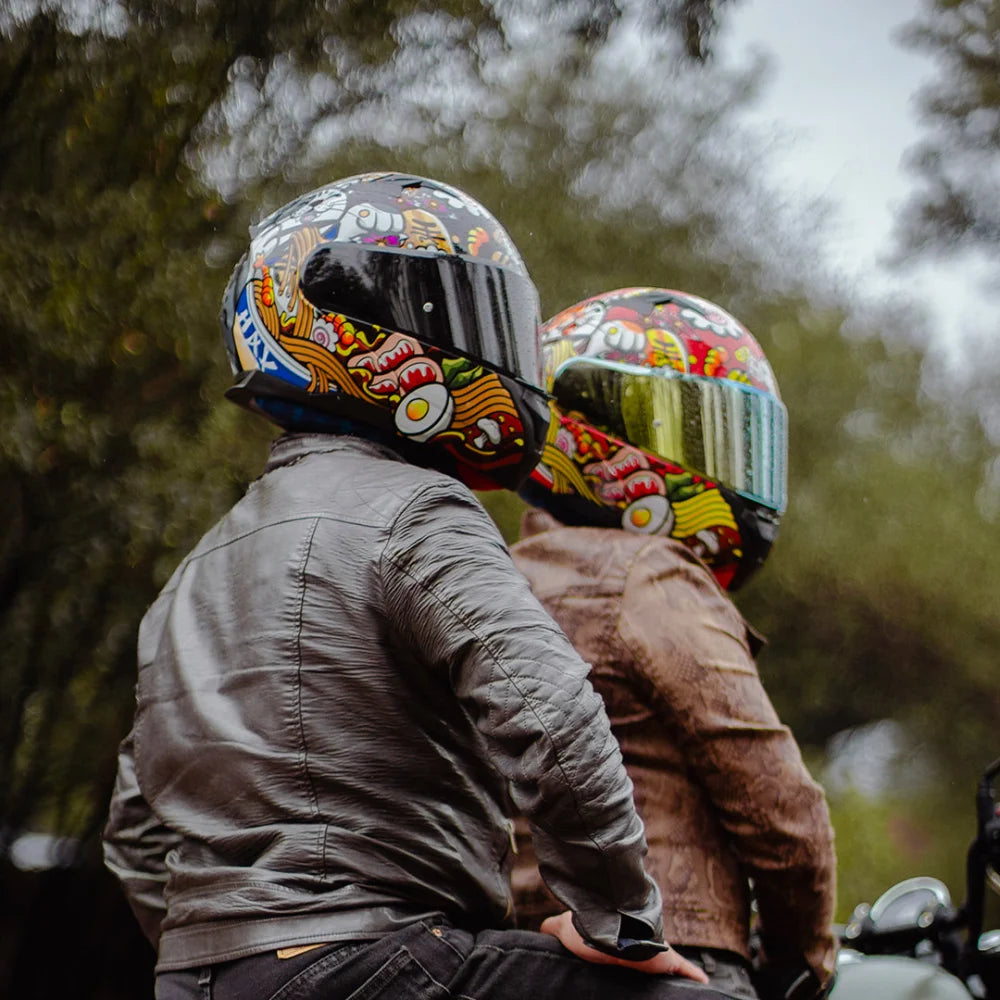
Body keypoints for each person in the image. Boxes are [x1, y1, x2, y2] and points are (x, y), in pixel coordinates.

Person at [102, 175, 718, 1000]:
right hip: (372, 960)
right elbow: (551, 715)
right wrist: (624, 923)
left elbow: (136, 829)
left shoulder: (189, 580)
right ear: (363, 337)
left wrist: (232, 957)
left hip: (198, 977)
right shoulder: (416, 508)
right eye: (449, 312)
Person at [509, 287, 838, 1000]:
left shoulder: (487, 575)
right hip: (670, 954)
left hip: (507, 955)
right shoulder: (650, 573)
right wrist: (802, 956)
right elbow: (782, 813)